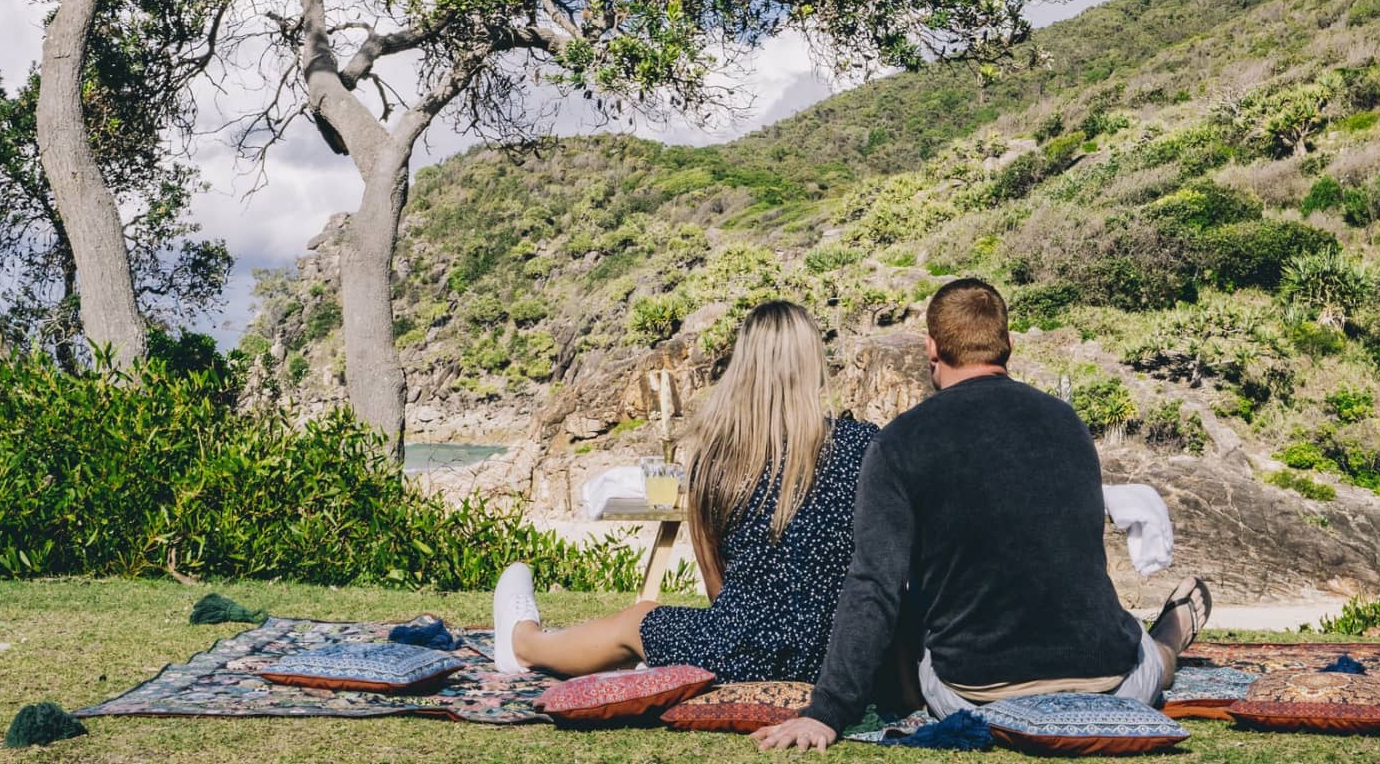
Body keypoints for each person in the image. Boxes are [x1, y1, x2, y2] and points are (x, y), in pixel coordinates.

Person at [754, 279, 1210, 750]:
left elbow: (874, 585)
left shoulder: (899, 443)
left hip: (972, 693)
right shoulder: (1067, 424)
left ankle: (1162, 638)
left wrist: (827, 711)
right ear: (1008, 345)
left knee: (909, 591)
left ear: (931, 348)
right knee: (1149, 654)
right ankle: (1168, 639)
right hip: (1111, 679)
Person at [493, 300, 878, 681]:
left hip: (741, 657)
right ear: (813, 362)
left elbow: (716, 589)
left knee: (639, 619)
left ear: (744, 367)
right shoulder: (865, 446)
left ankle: (524, 644)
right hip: (839, 655)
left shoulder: (721, 459)